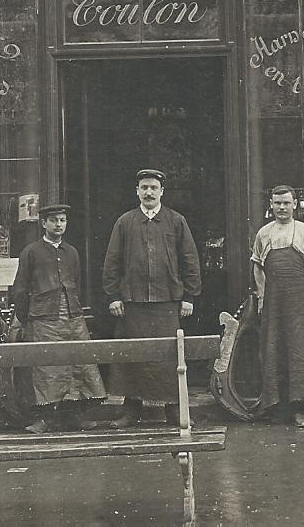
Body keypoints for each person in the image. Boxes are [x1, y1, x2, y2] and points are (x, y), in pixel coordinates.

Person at [102, 169, 202, 428]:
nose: (149, 192)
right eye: (144, 187)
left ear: (162, 192)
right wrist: (113, 296)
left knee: (169, 357)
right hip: (132, 303)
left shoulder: (176, 221)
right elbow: (112, 262)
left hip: (167, 302)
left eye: (153, 188)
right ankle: (131, 411)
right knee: (132, 356)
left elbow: (190, 260)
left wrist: (189, 296)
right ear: (137, 191)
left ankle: (174, 409)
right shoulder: (125, 222)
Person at [11, 202, 106, 434]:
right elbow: (20, 288)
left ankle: (73, 416)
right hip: (43, 318)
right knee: (47, 368)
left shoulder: (71, 252)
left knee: (78, 364)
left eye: (62, 220)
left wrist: (74, 308)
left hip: (72, 317)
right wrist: (26, 318)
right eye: (54, 220)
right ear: (44, 223)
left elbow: (77, 284)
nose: (59, 225)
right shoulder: (31, 252)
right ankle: (45, 419)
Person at [251, 185, 304, 426]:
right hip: (273, 303)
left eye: (286, 203)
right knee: (273, 349)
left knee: (300, 351)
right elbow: (257, 266)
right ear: (271, 205)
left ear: (295, 204)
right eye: (277, 203)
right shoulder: (264, 234)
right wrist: (262, 296)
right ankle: (275, 406)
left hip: (299, 302)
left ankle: (300, 409)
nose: (281, 207)